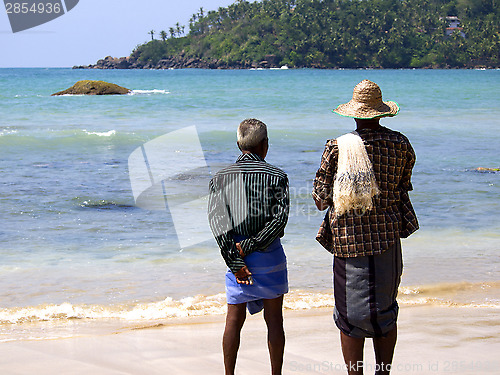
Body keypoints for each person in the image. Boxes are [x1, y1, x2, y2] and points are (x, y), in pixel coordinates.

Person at [312, 80, 419, 375]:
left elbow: (321, 200)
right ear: (381, 113)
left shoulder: (336, 148)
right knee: (385, 311)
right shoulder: (401, 145)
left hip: (348, 242)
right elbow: (403, 186)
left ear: (354, 115)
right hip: (387, 238)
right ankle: (383, 372)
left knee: (349, 316)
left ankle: (354, 373)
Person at [208, 118, 289, 375]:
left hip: (237, 260)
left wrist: (235, 260)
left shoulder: (220, 178)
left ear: (238, 144)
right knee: (274, 321)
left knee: (233, 320)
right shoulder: (277, 176)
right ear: (265, 146)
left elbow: (217, 223)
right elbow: (279, 221)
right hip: (270, 256)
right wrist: (251, 244)